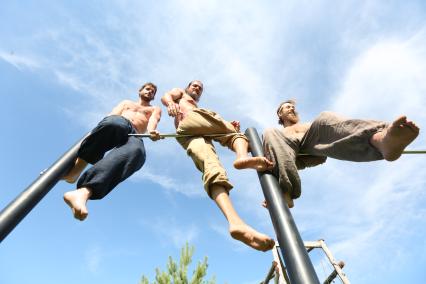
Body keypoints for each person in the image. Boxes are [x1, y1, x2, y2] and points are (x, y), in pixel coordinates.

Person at [161, 80, 275, 252]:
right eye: (195, 86)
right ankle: (241, 156)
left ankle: (235, 223)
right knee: (233, 134)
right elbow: (167, 95)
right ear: (187, 88)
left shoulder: (192, 103)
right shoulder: (181, 95)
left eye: (200, 89)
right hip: (190, 121)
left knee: (212, 169)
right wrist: (170, 103)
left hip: (188, 136)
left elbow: (207, 124)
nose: (197, 89)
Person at [262, 100, 420, 208]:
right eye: (287, 107)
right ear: (279, 114)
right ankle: (286, 190)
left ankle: (381, 139)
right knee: (269, 133)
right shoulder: (278, 132)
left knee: (325, 117)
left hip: (314, 145)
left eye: (292, 107)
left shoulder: (308, 126)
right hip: (290, 152)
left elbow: (324, 151)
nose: (291, 108)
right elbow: (253, 147)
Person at [62, 82, 162, 221]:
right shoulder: (126, 102)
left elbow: (153, 121)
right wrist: (103, 127)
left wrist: (151, 132)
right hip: (119, 122)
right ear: (140, 91)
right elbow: (112, 115)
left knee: (137, 152)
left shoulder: (154, 109)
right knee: (114, 124)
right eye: (148, 89)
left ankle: (83, 193)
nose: (150, 92)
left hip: (135, 134)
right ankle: (75, 172)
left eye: (153, 92)